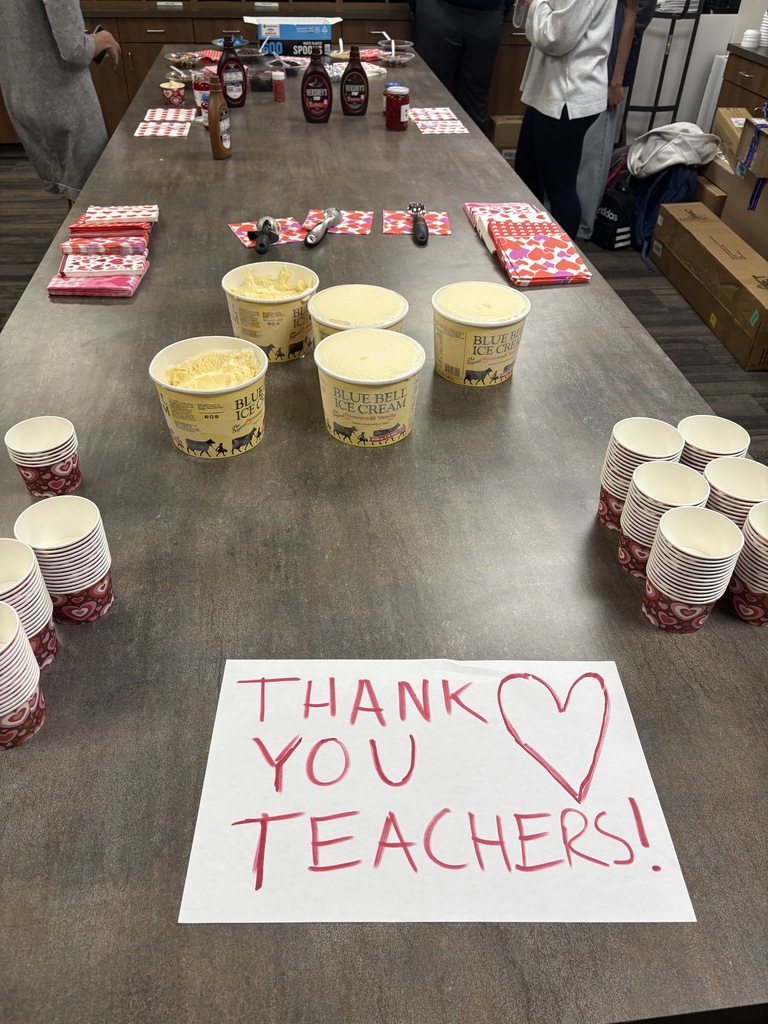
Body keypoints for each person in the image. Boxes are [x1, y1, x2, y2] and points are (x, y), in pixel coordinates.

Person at [513, 0, 616, 240]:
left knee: (560, 188)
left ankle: (562, 263)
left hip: (568, 94)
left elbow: (557, 37)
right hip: (550, 88)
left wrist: (534, 3)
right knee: (527, 173)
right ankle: (529, 246)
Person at [0, 3, 120, 204]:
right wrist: (104, 39)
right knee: (93, 197)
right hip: (63, 99)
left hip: (20, 96)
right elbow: (75, 50)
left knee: (76, 197)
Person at [576, 0, 655, 240]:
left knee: (592, 153)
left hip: (607, 69)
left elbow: (635, 18)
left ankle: (580, 228)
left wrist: (615, 80)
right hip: (582, 65)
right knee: (571, 154)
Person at [412, 0, 513, 133]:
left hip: (488, 13)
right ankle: (427, 151)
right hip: (437, 7)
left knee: (476, 96)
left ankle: (473, 151)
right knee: (430, 90)